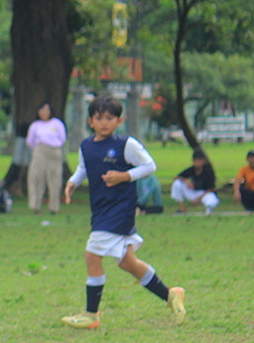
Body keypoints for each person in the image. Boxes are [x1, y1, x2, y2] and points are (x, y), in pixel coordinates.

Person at [61, 94, 185, 330]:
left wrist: (125, 176)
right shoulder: (86, 146)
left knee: (91, 255)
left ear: (119, 120)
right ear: (91, 121)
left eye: (110, 118)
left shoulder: (126, 144)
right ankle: (171, 295)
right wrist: (72, 182)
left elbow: (150, 165)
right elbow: (83, 169)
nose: (104, 122)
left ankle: (90, 314)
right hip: (100, 207)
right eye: (99, 118)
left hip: (121, 209)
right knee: (128, 263)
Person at [26, 102, 67, 214]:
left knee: (55, 179)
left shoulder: (57, 123)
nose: (44, 112)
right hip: (40, 151)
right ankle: (36, 206)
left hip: (54, 152)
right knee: (37, 177)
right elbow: (30, 141)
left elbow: (63, 138)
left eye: (46, 110)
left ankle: (54, 207)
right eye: (42, 110)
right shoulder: (35, 125)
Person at [171, 149, 219, 214]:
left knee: (212, 201)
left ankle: (208, 212)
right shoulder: (191, 170)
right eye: (195, 160)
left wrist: (198, 199)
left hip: (204, 193)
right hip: (192, 192)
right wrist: (186, 180)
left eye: (199, 160)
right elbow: (176, 177)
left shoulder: (208, 172)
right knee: (177, 183)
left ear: (203, 161)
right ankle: (182, 208)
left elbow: (211, 188)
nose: (197, 162)